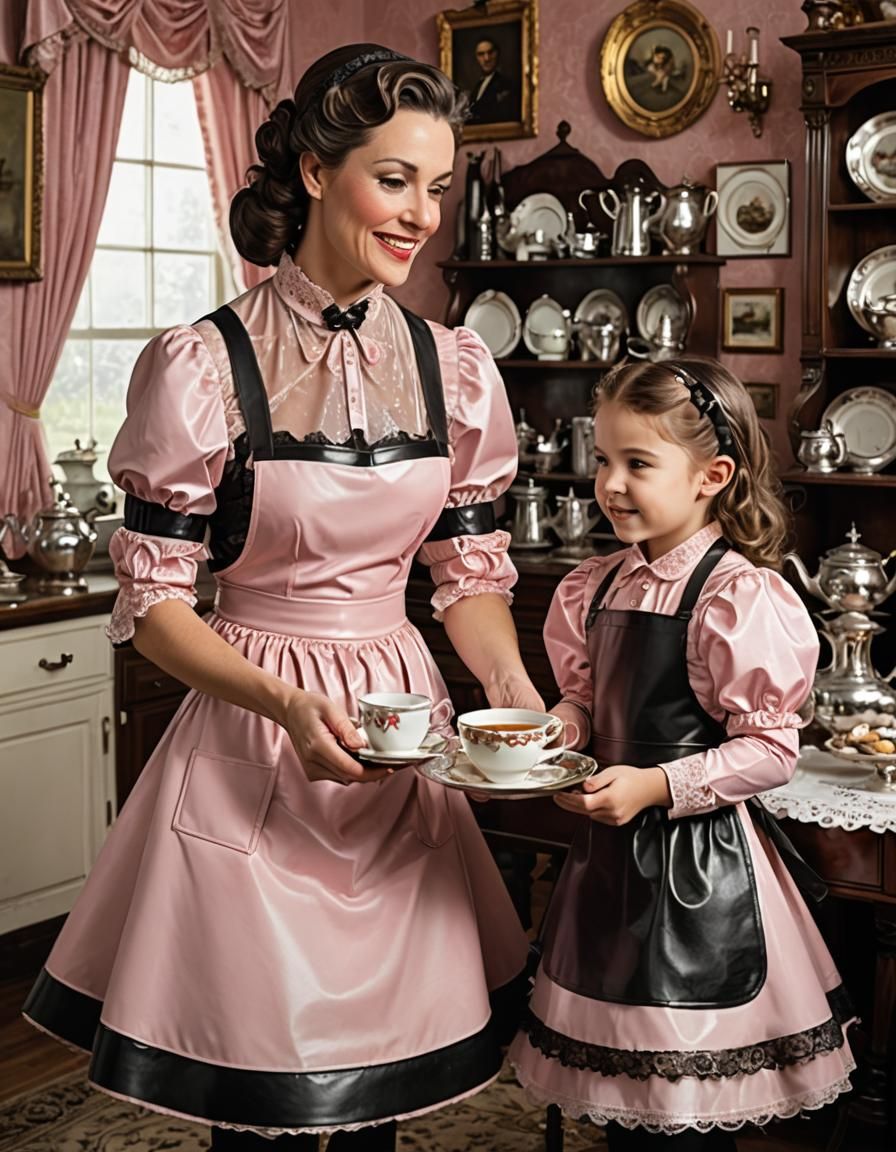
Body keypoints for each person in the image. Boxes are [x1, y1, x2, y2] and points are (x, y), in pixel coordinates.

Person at [24, 43, 543, 1150]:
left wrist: (506, 690)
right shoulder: (201, 365)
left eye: (437, 188)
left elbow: (466, 574)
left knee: (378, 1095)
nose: (420, 217)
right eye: (393, 179)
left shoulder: (457, 368)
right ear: (314, 171)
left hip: (401, 740)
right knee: (253, 1090)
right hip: (254, 733)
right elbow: (156, 606)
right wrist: (285, 709)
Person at [509, 357, 855, 1148]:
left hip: (702, 873)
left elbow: (769, 750)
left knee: (688, 1111)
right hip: (607, 866)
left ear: (713, 476)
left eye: (638, 463)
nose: (611, 484)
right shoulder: (593, 586)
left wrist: (658, 785)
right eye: (603, 460)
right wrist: (562, 726)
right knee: (624, 1097)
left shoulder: (736, 596)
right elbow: (588, 700)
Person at [466, 37, 518, 124]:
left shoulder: (506, 84)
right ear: (476, 58)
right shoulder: (478, 86)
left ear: (497, 54)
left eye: (490, 52)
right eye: (481, 54)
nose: (486, 58)